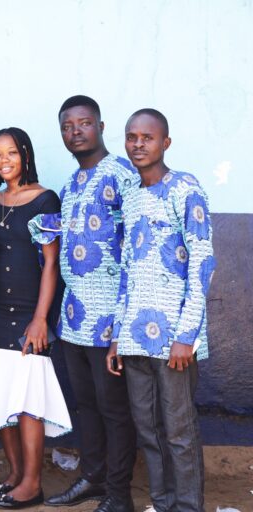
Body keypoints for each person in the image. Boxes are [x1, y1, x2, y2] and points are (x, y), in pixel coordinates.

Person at [107, 109, 215, 512]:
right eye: (131, 137)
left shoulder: (185, 189)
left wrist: (186, 336)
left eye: (147, 137)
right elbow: (126, 271)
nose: (138, 144)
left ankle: (187, 507)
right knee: (148, 430)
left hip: (174, 341)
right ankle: (162, 503)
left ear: (165, 143)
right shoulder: (131, 195)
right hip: (135, 339)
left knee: (179, 432)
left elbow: (203, 263)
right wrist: (118, 334)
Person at [46, 95, 137, 512]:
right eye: (67, 126)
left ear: (101, 126)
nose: (75, 132)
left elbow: (135, 251)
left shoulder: (122, 174)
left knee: (114, 409)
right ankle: (93, 479)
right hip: (74, 317)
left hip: (109, 319)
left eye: (83, 123)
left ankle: (119, 494)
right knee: (85, 405)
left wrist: (124, 321)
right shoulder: (71, 183)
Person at [0, 127, 72, 509]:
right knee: (3, 393)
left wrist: (40, 318)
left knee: (29, 398)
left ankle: (32, 483)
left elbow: (51, 264)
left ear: (26, 155)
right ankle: (15, 474)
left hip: (29, 312)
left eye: (11, 153)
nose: (4, 161)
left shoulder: (44, 199)